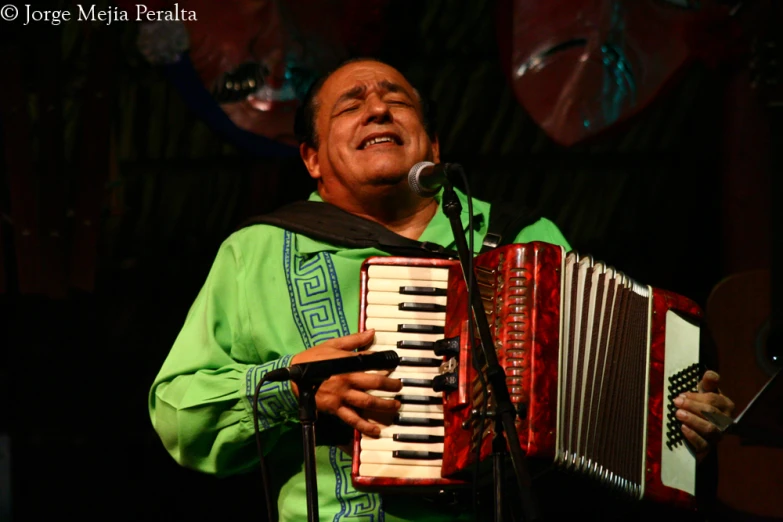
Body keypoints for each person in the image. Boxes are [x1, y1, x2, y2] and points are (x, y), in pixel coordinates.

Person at [148, 58, 735, 521]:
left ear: (432, 147)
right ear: (312, 158)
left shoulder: (527, 239)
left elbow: (600, 397)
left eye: (396, 101)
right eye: (351, 106)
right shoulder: (256, 252)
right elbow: (177, 413)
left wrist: (672, 423)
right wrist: (295, 385)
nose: (377, 109)